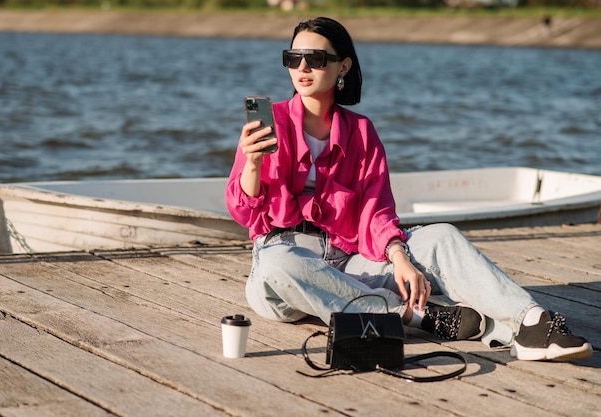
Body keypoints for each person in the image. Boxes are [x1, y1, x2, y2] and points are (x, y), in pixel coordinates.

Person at [225, 16, 592, 362]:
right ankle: (412, 314)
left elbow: (376, 208)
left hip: (350, 259)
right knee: (279, 264)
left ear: (343, 67)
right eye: (294, 57)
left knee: (440, 237)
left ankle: (530, 323)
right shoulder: (271, 123)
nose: (302, 68)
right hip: (283, 264)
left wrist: (399, 256)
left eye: (316, 58)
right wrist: (252, 162)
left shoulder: (361, 131)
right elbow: (243, 211)